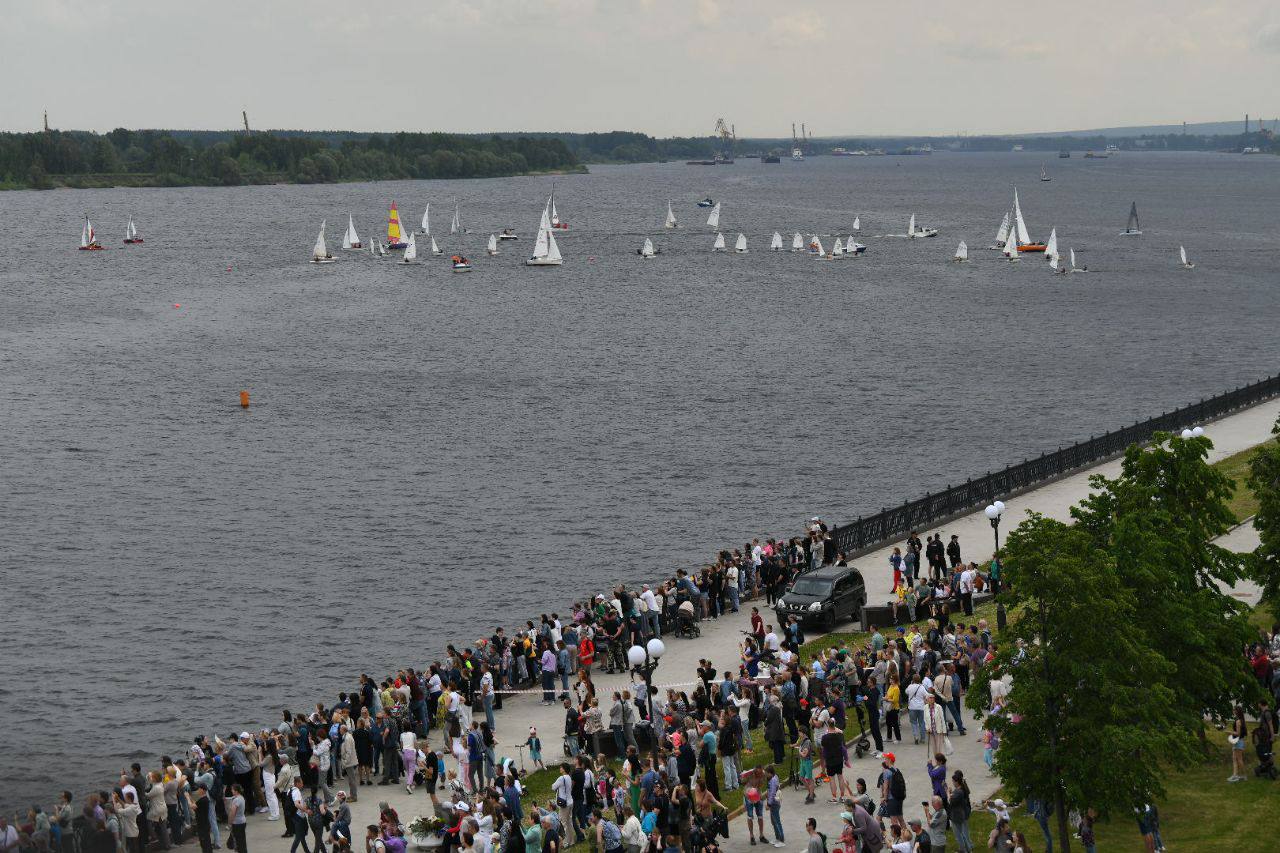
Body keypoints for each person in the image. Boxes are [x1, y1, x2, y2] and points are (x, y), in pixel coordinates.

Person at [947, 771, 972, 853]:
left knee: (959, 835)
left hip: (957, 816)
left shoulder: (959, 791)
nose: (953, 783)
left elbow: (952, 801)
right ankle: (968, 849)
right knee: (963, 833)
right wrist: (951, 793)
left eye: (953, 781)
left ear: (957, 782)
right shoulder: (961, 789)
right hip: (960, 814)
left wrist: (948, 793)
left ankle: (963, 849)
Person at [1229, 704, 1248, 781]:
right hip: (1237, 741)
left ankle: (1244, 775)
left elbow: (1238, 733)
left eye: (1234, 710)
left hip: (1238, 741)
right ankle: (1235, 775)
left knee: (1239, 759)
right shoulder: (1240, 720)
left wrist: (1229, 732)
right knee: (1234, 758)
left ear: (1237, 711)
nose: (1233, 711)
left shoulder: (1238, 721)